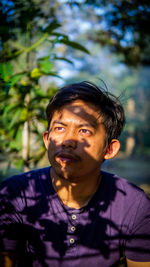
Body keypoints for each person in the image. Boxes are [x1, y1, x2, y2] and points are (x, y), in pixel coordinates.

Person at [0, 81, 150, 267]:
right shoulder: (13, 195)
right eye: (60, 128)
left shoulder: (134, 205)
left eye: (84, 130)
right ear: (47, 140)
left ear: (109, 149)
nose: (67, 141)